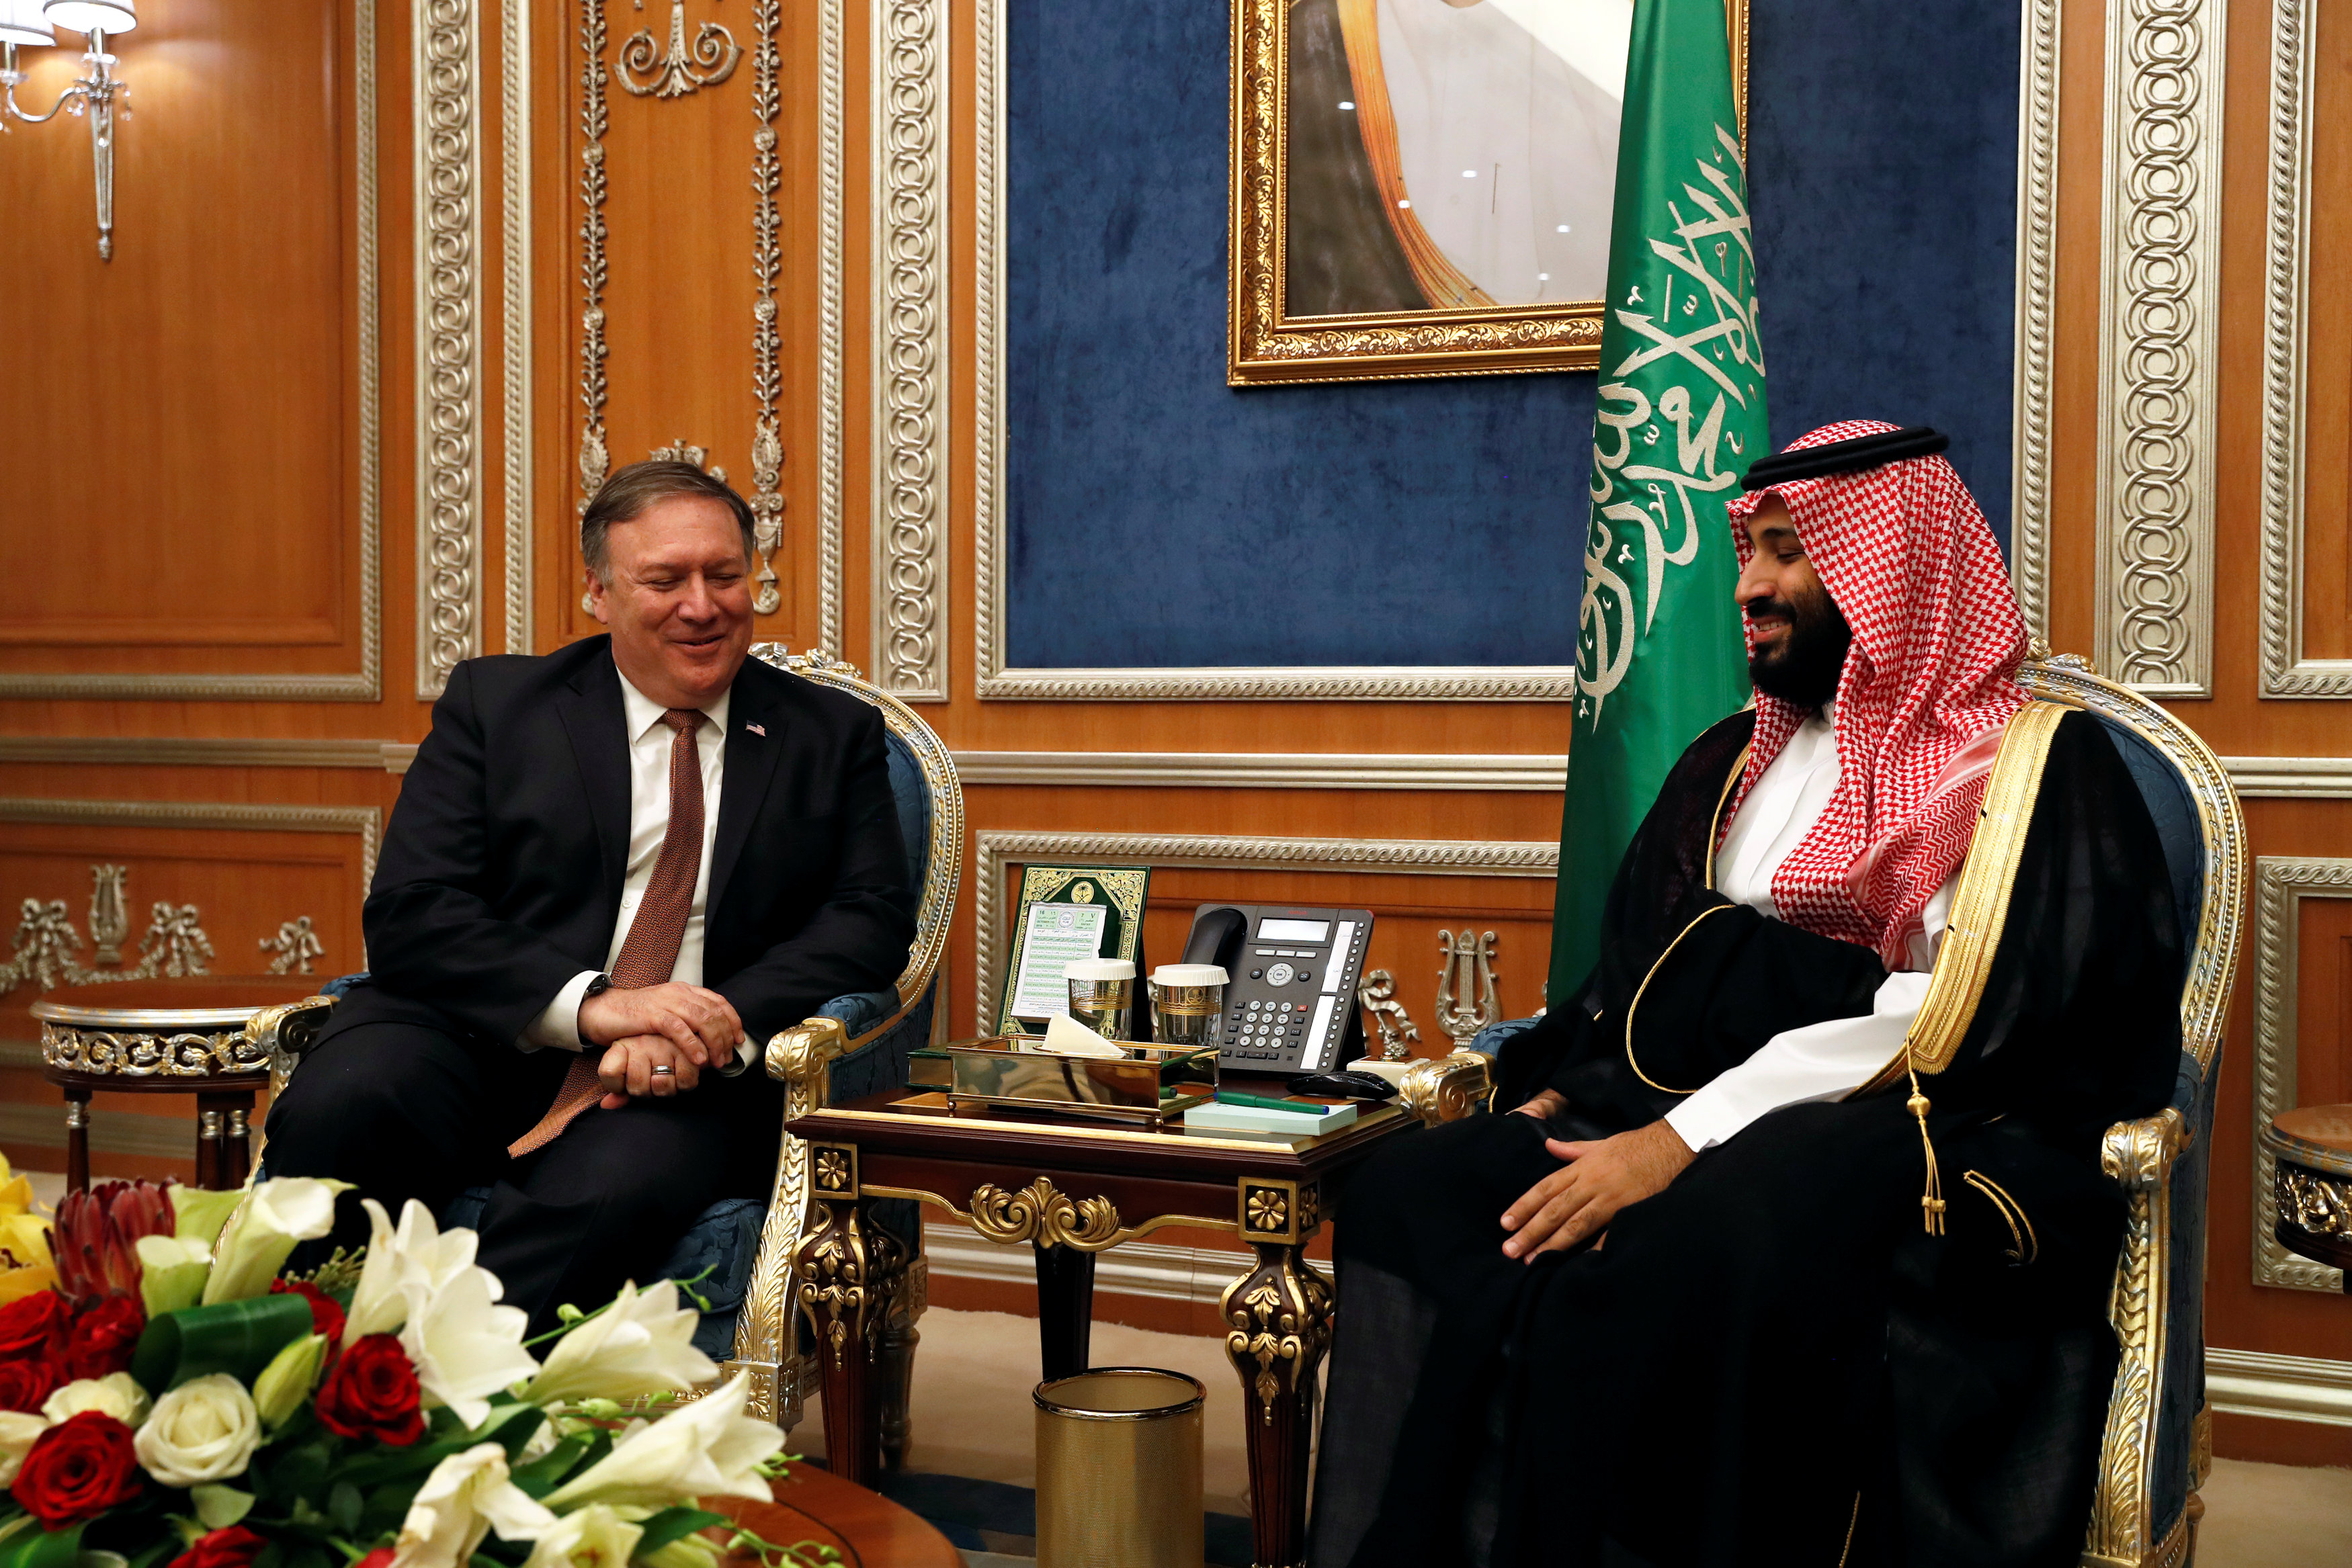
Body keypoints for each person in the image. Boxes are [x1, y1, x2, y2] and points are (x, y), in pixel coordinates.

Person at [1308, 423, 2185, 1567]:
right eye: (1748, 552)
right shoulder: (1733, 756)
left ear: (1889, 566)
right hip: (1655, 1096)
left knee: (1696, 1242)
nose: (1747, 587)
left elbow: (1946, 1014)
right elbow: (1638, 966)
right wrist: (1564, 1084)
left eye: (1787, 551)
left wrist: (1678, 1142)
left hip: (1890, 1123)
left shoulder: (2022, 768)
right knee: (1411, 1192)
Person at [265, 460, 916, 1334]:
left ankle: (443, 1389)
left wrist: (703, 1024)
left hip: (688, 1077)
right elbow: (415, 908)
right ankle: (280, 1369)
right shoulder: (498, 707)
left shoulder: (830, 734)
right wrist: (596, 1007)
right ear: (599, 593)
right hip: (486, 1031)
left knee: (602, 1189)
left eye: (724, 575)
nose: (702, 606)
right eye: (665, 580)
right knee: (349, 1100)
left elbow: (868, 919)